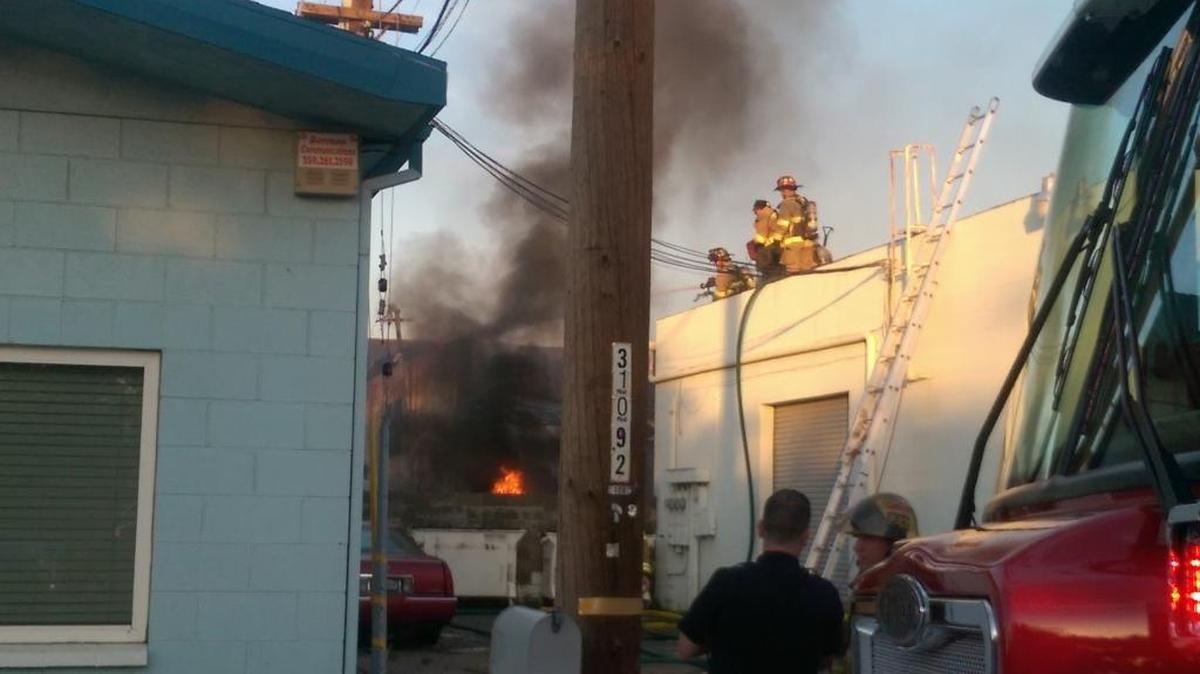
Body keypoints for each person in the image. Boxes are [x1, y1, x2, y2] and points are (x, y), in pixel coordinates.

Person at [677, 489, 845, 672]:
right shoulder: (824, 594)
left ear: (760, 529)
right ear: (806, 536)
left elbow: (685, 650)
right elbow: (827, 660)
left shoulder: (725, 583)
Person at [840, 492, 919, 586]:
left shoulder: (906, 592)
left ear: (895, 544)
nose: (857, 547)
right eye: (858, 538)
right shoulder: (868, 588)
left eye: (868, 538)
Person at [775, 175, 821, 273]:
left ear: (784, 191)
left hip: (793, 245)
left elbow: (783, 225)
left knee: (793, 274)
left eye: (782, 190)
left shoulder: (786, 204)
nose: (782, 193)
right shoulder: (803, 202)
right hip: (808, 242)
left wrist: (775, 240)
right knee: (808, 272)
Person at [747, 199, 784, 278]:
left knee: (763, 261)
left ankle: (770, 276)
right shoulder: (773, 214)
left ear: (760, 209)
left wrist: (755, 244)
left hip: (772, 244)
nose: (755, 213)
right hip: (779, 244)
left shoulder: (764, 216)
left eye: (756, 210)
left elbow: (761, 235)